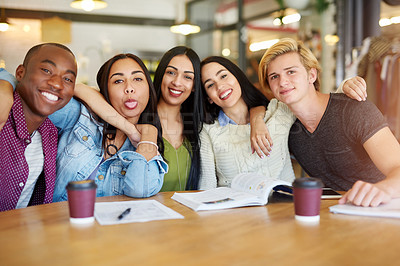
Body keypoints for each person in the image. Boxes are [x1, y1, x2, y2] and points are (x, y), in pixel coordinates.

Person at [1, 53, 168, 202]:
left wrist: (149, 135)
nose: (129, 88)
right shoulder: (79, 116)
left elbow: (140, 189)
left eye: (137, 79)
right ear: (104, 91)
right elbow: (27, 87)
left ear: (149, 88)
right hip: (58, 228)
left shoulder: (149, 144)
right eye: (118, 81)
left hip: (114, 234)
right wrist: (4, 87)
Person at [258, 38, 400, 207]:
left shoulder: (353, 110)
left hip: (384, 208)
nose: (282, 82)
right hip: (336, 212)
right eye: (274, 76)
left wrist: (383, 189)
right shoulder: (286, 128)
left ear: (311, 75)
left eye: (291, 72)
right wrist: (256, 118)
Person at [199, 56, 296, 190]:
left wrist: (257, 119)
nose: (220, 86)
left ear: (237, 76)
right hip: (236, 210)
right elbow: (207, 187)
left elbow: (312, 103)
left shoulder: (277, 112)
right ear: (208, 97)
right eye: (210, 85)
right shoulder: (208, 131)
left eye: (223, 76)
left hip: (285, 207)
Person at [0, 43, 77, 211]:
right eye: (46, 70)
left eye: (68, 79)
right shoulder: (2, 115)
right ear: (20, 73)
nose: (57, 84)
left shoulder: (50, 132)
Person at [153, 46, 203, 191]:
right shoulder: (138, 120)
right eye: (171, 72)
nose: (177, 82)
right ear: (161, 74)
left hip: (188, 213)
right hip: (147, 212)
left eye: (187, 77)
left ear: (194, 86)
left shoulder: (198, 126)